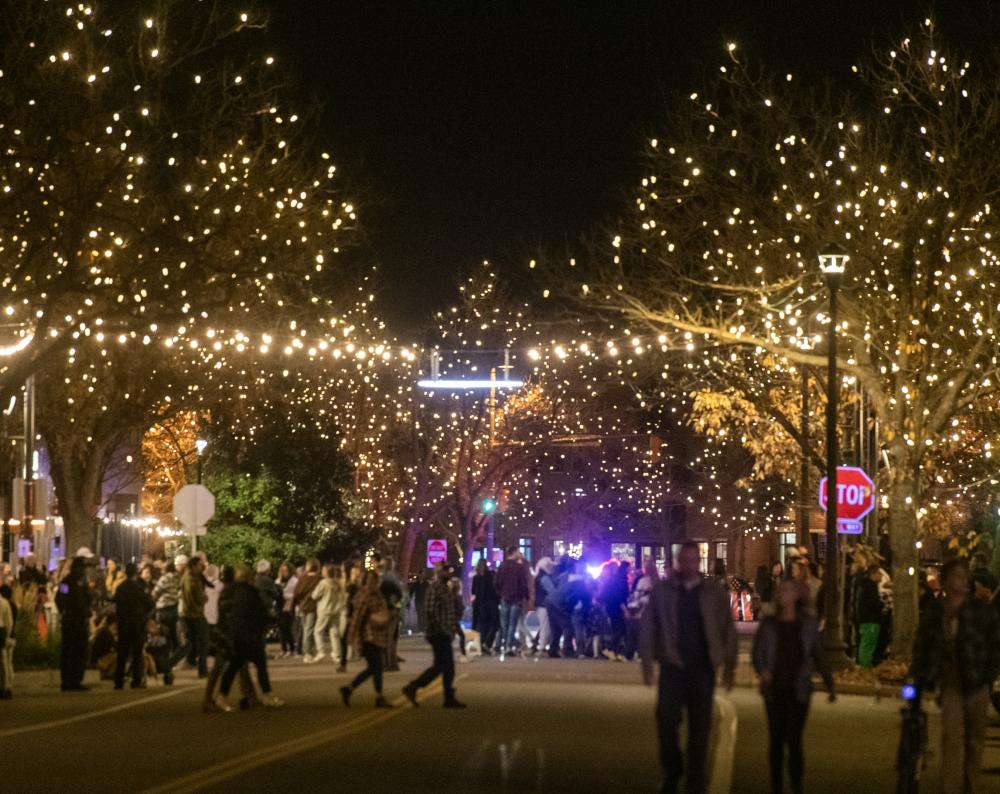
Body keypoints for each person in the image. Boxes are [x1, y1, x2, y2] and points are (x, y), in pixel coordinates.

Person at [640, 542, 737, 794]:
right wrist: (647, 662)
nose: (688, 565)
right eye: (684, 560)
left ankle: (695, 779)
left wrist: (729, 666)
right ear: (677, 561)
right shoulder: (663, 591)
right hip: (673, 666)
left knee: (700, 727)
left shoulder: (713, 592)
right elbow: (649, 625)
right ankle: (673, 770)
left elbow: (727, 629)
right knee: (666, 721)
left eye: (693, 560)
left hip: (702, 669)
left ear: (699, 562)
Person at [911, 557, 1000, 794]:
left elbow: (993, 643)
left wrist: (988, 675)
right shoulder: (936, 612)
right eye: (954, 577)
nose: (959, 583)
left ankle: (971, 785)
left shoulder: (979, 611)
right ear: (945, 581)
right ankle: (950, 787)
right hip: (951, 682)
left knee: (974, 741)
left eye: (963, 577)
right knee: (951, 739)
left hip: (977, 681)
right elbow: (923, 645)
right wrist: (920, 675)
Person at [752, 578, 835, 794]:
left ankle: (797, 783)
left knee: (794, 738)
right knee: (776, 739)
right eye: (780, 591)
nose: (782, 594)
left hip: (799, 689)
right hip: (774, 688)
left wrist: (829, 682)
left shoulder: (808, 624)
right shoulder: (769, 623)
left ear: (797, 595)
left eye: (787, 590)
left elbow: (817, 654)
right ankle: (776, 784)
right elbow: (757, 653)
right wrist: (764, 671)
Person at [217, 565, 283, 709]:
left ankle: (223, 696)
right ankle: (266, 695)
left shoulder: (232, 591)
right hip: (248, 635)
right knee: (258, 666)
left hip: (237, 634)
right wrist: (265, 621)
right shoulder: (247, 592)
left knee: (234, 667)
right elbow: (252, 613)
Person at [402, 563, 465, 708]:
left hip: (445, 632)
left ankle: (414, 687)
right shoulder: (435, 588)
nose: (448, 574)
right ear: (439, 572)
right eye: (445, 571)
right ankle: (447, 696)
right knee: (447, 666)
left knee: (440, 666)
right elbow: (430, 611)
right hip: (438, 633)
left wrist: (452, 629)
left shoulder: (446, 589)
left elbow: (449, 613)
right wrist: (439, 629)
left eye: (449, 571)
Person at [340, 570, 393, 708]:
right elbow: (357, 618)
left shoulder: (378, 595)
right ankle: (378, 697)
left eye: (374, 581)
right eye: (369, 580)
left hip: (378, 635)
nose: (372, 583)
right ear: (365, 581)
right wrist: (351, 637)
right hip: (368, 637)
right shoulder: (364, 596)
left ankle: (349, 689)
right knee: (377, 667)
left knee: (374, 668)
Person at [113, 563, 154, 690]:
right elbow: (149, 603)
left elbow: (115, 603)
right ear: (135, 573)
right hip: (136, 623)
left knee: (122, 653)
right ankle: (136, 680)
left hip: (123, 623)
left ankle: (118, 681)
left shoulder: (120, 588)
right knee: (137, 653)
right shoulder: (139, 588)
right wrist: (144, 615)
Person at [57, 555, 93, 691]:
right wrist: (66, 612)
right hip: (71, 621)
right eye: (82, 568)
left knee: (80, 651)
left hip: (80, 621)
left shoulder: (82, 583)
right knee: (69, 651)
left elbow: (87, 600)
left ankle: (76, 680)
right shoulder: (66, 583)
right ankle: (67, 681)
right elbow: (60, 599)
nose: (84, 571)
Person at [172, 555, 209, 677]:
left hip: (190, 614)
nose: (201, 567)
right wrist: (204, 598)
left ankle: (169, 664)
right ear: (193, 566)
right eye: (199, 565)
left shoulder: (188, 577)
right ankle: (202, 670)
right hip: (195, 614)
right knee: (201, 643)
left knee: (190, 644)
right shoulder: (191, 579)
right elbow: (198, 598)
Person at [494, 545, 531, 657]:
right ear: (514, 552)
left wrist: (500, 593)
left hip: (505, 598)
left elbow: (496, 583)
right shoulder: (519, 568)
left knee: (504, 624)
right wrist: (526, 596)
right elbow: (523, 583)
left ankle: (505, 645)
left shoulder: (502, 566)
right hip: (516, 598)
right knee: (512, 624)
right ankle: (509, 646)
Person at [311, 563, 346, 665]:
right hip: (336, 610)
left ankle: (321, 651)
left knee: (318, 631)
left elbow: (314, 595)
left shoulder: (323, 583)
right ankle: (336, 653)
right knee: (334, 632)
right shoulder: (338, 582)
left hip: (324, 610)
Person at [600, 560, 631, 661]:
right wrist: (625, 609)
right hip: (616, 608)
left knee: (617, 629)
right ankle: (611, 649)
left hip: (612, 607)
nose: (630, 570)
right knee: (619, 629)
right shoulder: (621, 580)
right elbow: (620, 596)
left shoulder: (616, 579)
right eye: (629, 568)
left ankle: (613, 650)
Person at [379, 556, 405, 671]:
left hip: (387, 610)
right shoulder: (394, 577)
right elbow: (400, 593)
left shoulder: (385, 578)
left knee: (387, 638)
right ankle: (392, 663)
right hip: (394, 609)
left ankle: (389, 663)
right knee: (392, 638)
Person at [293, 558, 321, 662]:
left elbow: (296, 593)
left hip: (303, 606)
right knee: (310, 630)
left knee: (307, 629)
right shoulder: (319, 579)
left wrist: (297, 604)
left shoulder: (302, 579)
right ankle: (308, 652)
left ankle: (309, 651)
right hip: (314, 606)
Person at [855, 565, 883, 668]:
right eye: (879, 573)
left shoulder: (866, 586)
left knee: (868, 643)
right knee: (868, 643)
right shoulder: (870, 587)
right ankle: (865, 665)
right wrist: (881, 605)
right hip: (870, 620)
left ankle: (865, 663)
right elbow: (872, 603)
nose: (881, 576)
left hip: (867, 619)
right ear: (873, 574)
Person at [471, 558, 499, 654]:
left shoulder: (476, 577)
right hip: (491, 602)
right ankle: (487, 643)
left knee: (484, 625)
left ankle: (482, 643)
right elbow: (495, 589)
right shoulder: (491, 576)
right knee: (495, 624)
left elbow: (473, 591)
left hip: (481, 604)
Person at [531, 558, 557, 655]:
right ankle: (542, 647)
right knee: (545, 627)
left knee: (544, 626)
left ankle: (540, 646)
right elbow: (552, 591)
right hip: (544, 604)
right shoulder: (545, 578)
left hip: (540, 604)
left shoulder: (539, 576)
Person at [275, 561, 298, 658]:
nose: (284, 572)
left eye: (286, 570)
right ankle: (283, 649)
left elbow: (296, 595)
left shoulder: (294, 580)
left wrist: (285, 595)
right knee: (281, 630)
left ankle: (292, 649)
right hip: (279, 607)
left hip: (289, 607)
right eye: (282, 570)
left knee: (288, 629)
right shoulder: (277, 581)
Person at [0, 584, 14, 699]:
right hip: (1, 631)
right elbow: (9, 622)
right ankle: (5, 687)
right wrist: (7, 636)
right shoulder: (4, 603)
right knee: (3, 661)